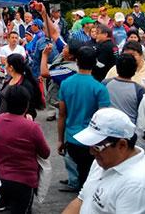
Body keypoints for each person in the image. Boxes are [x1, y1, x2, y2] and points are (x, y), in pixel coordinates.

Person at [62, 108, 145, 214]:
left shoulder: (137, 187)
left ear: (122, 145)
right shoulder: (103, 162)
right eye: (90, 146)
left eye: (97, 147)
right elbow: (82, 200)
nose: (91, 152)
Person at [58, 45, 111, 190]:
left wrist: (59, 140)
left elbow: (62, 114)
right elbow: (103, 119)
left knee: (81, 177)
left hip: (72, 139)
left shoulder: (65, 84)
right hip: (92, 142)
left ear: (76, 61)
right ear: (94, 63)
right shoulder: (100, 88)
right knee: (90, 179)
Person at [0, 86, 50, 213]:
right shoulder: (32, 127)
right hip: (23, 182)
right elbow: (45, 153)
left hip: (1, 179)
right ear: (27, 104)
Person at [102, 53, 145, 124]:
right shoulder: (139, 90)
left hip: (106, 126)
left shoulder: (105, 83)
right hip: (128, 131)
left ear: (117, 68)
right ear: (134, 69)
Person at [0, 53, 42, 119]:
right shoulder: (8, 81)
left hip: (16, 123)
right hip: (3, 120)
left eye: (6, 64)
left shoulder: (26, 85)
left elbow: (31, 107)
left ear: (11, 67)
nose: (4, 66)